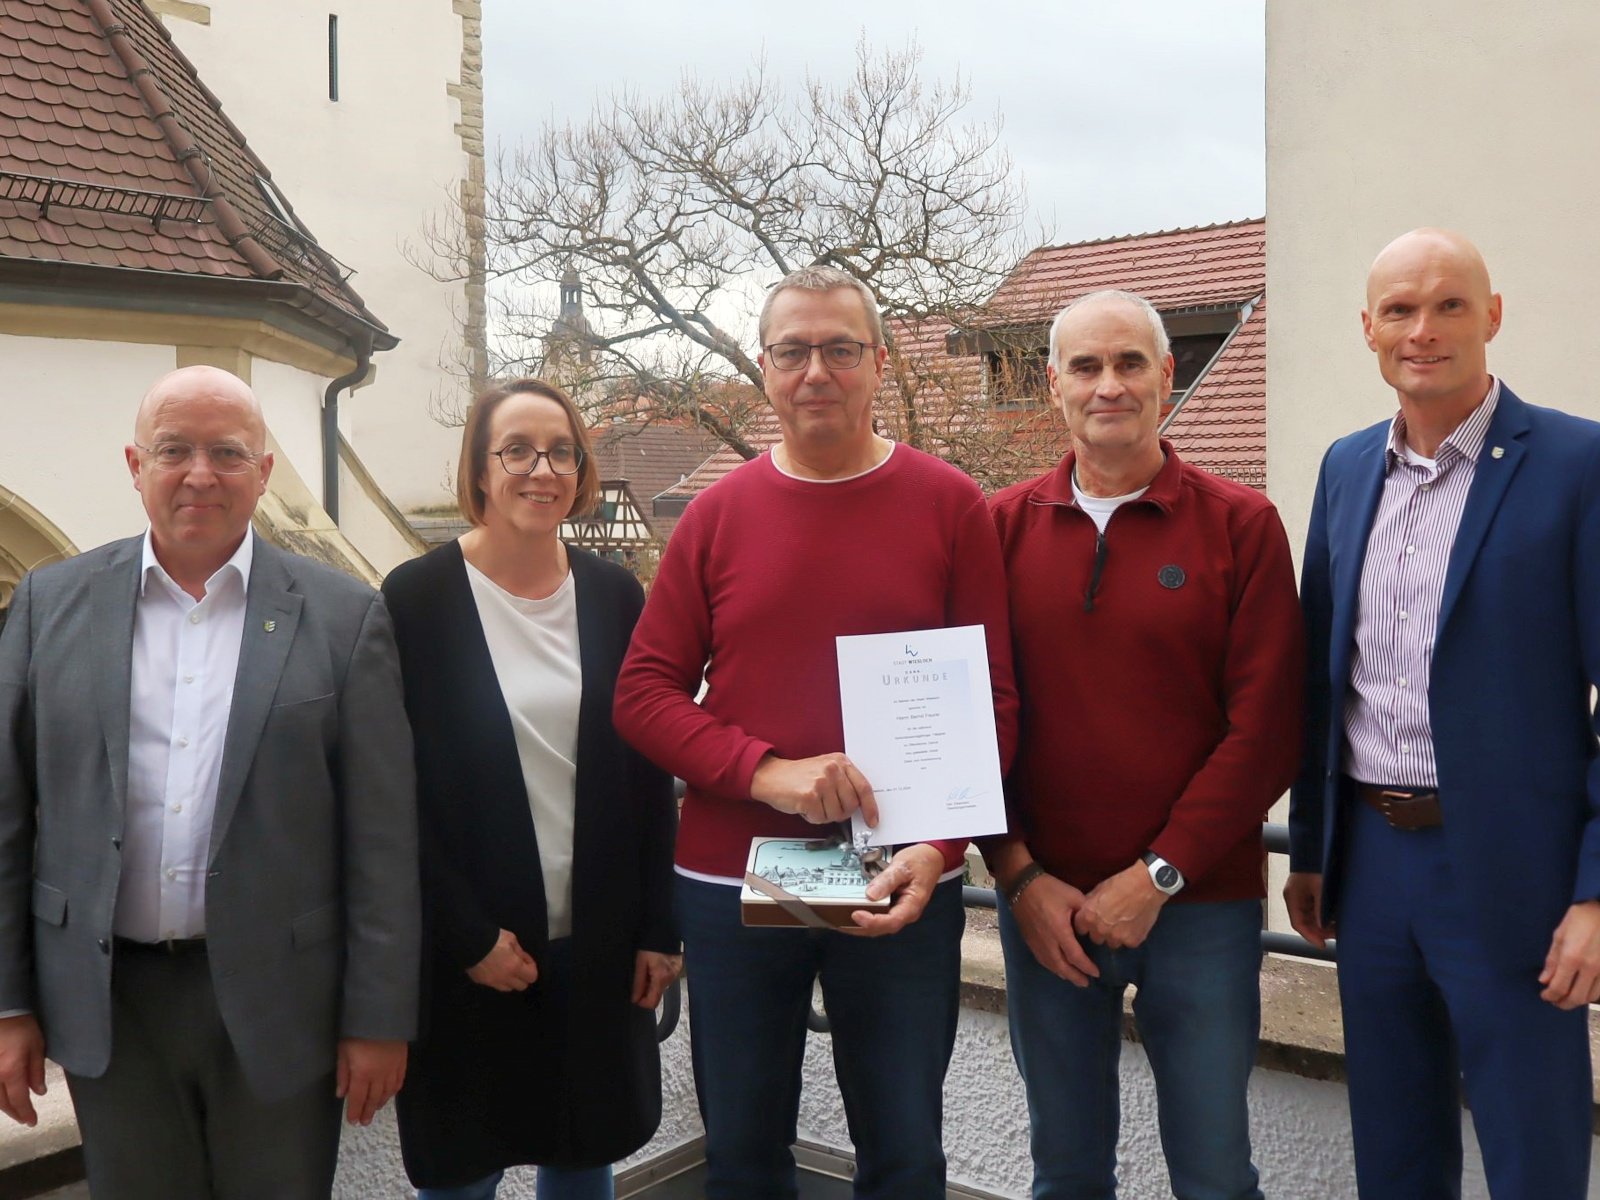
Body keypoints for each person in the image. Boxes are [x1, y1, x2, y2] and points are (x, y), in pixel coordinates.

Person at [613, 264, 1018, 1200]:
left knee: (905, 1148)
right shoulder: (716, 516)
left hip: (899, 870)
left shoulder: (950, 503)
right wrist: (768, 773)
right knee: (745, 1151)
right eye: (793, 351)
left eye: (840, 349)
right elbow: (643, 692)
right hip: (740, 871)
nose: (816, 372)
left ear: (878, 363)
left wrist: (942, 843)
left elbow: (992, 700)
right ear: (763, 368)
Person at [0, 365, 420, 1199]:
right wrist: (8, 1002)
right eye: (175, 450)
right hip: (109, 1005)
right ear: (135, 464)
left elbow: (382, 838)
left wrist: (378, 1018)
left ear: (264, 473)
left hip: (283, 1002)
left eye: (228, 452)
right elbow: (6, 816)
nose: (200, 473)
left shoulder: (344, 618)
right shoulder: (51, 603)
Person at [1286, 229, 1600, 1199]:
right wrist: (1309, 847)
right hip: (1371, 868)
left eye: (1449, 305)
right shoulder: (1344, 468)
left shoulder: (1576, 463)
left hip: (1516, 873)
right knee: (1395, 1151)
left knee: (1532, 1155)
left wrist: (1595, 894)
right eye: (1399, 310)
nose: (1423, 330)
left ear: (1491, 316)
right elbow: (1316, 671)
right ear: (1367, 330)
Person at [985, 290, 1303, 1199]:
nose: (1109, 385)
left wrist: (1158, 874)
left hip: (1199, 908)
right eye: (1085, 367)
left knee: (1212, 1171)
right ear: (1053, 386)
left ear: (1168, 376)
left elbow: (1268, 730)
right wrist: (1017, 877)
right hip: (1044, 907)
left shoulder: (1241, 525)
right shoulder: (996, 528)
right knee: (1067, 1170)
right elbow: (971, 725)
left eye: (1130, 364)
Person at [383, 378, 680, 1200]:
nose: (540, 469)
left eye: (560, 451)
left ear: (581, 469)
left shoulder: (615, 594)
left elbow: (648, 770)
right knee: (461, 1170)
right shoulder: (417, 599)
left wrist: (660, 925)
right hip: (472, 950)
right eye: (515, 450)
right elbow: (392, 794)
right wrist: (466, 936)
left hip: (601, 943)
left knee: (586, 1157)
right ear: (480, 471)